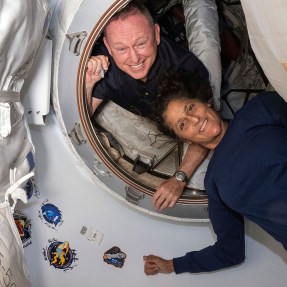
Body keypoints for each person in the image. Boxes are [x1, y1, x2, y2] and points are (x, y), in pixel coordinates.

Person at [143, 69, 287, 275]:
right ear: (187, 140)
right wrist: (173, 265)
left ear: (205, 102)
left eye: (190, 107)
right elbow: (230, 251)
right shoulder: (214, 183)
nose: (194, 119)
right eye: (183, 124)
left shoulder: (261, 108)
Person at [85, 1, 211, 210]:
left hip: (185, 112)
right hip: (148, 116)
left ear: (157, 34)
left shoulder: (186, 68)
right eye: (121, 48)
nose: (134, 58)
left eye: (141, 43)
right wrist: (89, 83)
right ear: (108, 47)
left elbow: (208, 129)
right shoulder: (104, 66)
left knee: (206, 42)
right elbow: (82, 115)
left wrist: (179, 178)